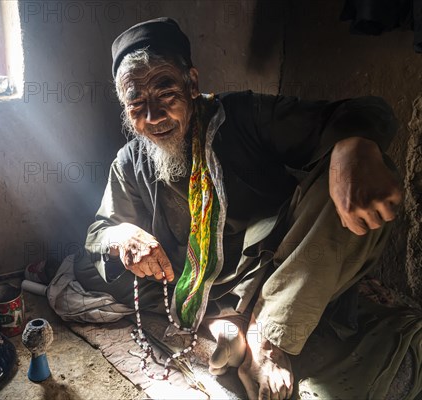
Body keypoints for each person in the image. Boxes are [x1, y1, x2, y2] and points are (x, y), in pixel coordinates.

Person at [70, 17, 403, 399]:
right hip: (200, 286)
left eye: (165, 93)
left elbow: (361, 112)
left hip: (278, 272)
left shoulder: (243, 115)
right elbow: (100, 229)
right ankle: (225, 324)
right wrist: (122, 236)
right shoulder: (130, 163)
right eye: (136, 103)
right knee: (89, 263)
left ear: (192, 84)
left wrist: (352, 146)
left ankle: (267, 340)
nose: (153, 116)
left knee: (365, 179)